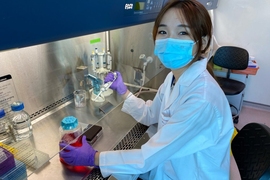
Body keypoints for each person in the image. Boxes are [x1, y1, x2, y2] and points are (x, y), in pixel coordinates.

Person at [59, 0, 234, 179]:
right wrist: (123, 91)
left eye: (182, 32)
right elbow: (151, 114)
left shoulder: (202, 100)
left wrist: (93, 157)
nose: (168, 40)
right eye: (163, 32)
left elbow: (147, 158)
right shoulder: (173, 78)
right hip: (171, 168)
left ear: (202, 42)